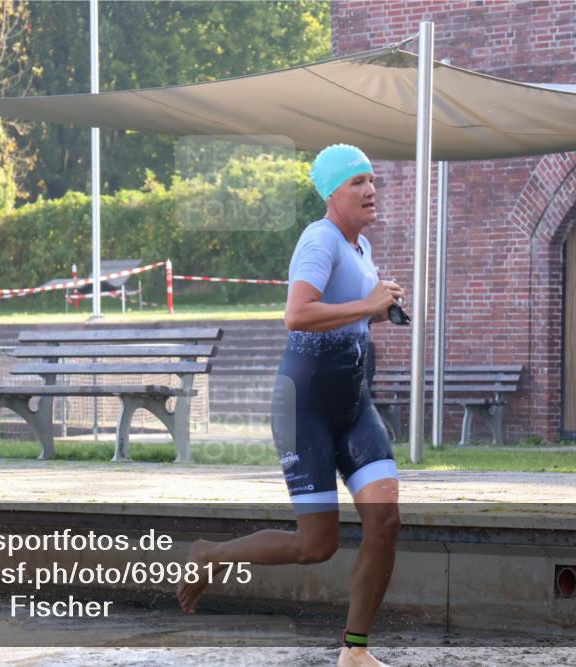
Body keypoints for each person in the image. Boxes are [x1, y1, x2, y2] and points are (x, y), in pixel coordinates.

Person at [176, 145, 404, 667]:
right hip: (305, 410)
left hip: (353, 406)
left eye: (372, 180)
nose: (370, 190)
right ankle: (210, 556)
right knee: (315, 545)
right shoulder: (318, 239)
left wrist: (378, 306)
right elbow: (297, 314)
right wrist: (367, 305)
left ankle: (356, 652)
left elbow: (343, 315)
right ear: (331, 193)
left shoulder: (360, 247)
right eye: (357, 183)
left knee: (385, 521)